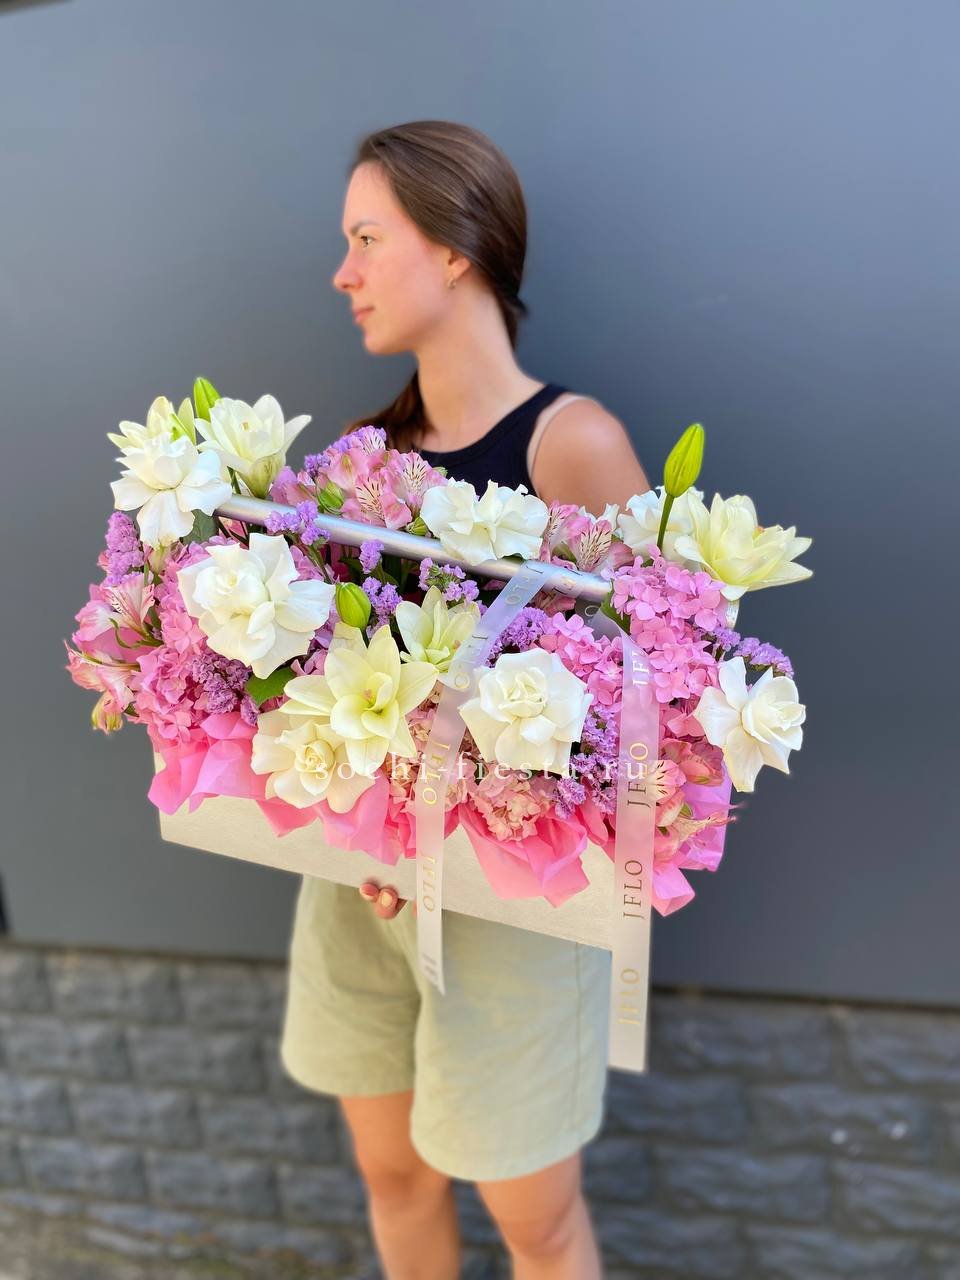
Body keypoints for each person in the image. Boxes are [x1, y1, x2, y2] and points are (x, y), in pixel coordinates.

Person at [280, 119, 651, 1280]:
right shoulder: (362, 455)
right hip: (359, 887)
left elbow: (663, 695)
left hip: (511, 910)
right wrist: (364, 821)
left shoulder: (573, 444)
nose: (342, 273)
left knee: (536, 1223)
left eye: (366, 239)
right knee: (393, 1176)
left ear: (454, 249)